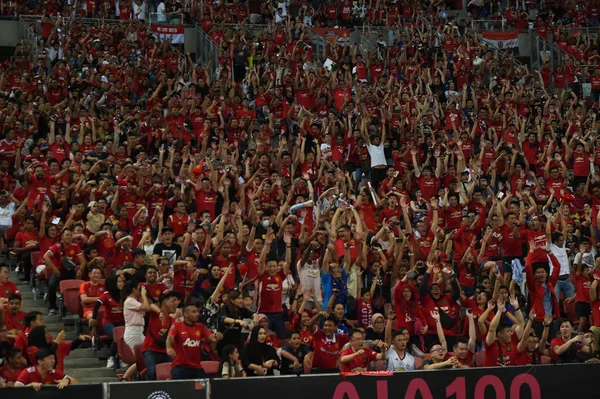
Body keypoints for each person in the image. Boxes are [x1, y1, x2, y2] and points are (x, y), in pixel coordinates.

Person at [166, 303, 221, 379]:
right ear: (185, 314)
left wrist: (217, 336)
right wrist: (169, 348)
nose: (197, 314)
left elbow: (212, 337)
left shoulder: (200, 326)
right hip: (180, 366)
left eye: (197, 312)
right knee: (178, 389)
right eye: (194, 312)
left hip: (196, 367)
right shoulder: (177, 325)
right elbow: (170, 337)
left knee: (205, 387)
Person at [43, 228, 86, 315]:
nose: (69, 237)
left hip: (70, 271)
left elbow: (83, 261)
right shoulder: (57, 246)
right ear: (62, 237)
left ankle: (75, 307)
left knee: (78, 286)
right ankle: (52, 307)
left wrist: (80, 270)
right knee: (51, 286)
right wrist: (54, 268)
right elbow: (45, 257)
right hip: (58, 271)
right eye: (67, 235)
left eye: (70, 235)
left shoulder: (75, 246)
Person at [142, 291, 179, 380]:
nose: (176, 304)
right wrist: (160, 312)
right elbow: (151, 306)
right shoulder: (155, 314)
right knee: (152, 372)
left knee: (175, 371)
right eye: (173, 301)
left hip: (165, 351)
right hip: (150, 350)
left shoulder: (172, 321)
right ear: (165, 302)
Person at [91, 275, 126, 368]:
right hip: (108, 322)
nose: (121, 283)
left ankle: (121, 357)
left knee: (123, 337)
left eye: (122, 281)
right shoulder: (106, 294)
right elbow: (97, 305)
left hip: (122, 321)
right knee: (117, 337)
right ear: (114, 283)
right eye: (119, 282)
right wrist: (94, 318)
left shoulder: (125, 294)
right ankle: (111, 357)